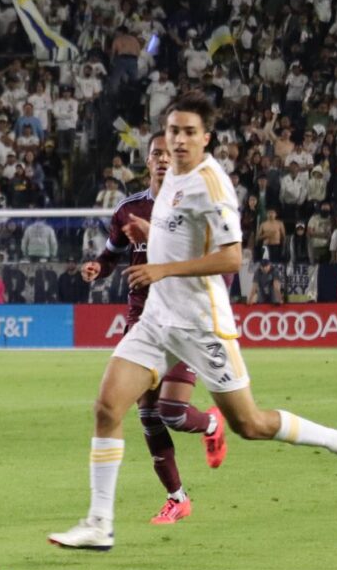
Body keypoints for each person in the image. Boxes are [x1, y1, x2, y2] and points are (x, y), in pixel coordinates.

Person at [49, 91, 337, 551]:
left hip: (200, 323)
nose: (180, 140)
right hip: (156, 318)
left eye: (190, 132)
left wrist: (162, 268)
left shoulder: (212, 185)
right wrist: (149, 234)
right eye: (174, 132)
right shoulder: (170, 177)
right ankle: (98, 523)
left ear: (206, 138)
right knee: (108, 406)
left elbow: (231, 258)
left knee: (249, 424)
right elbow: (177, 234)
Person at [80, 131, 227, 525]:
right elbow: (111, 254)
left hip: (185, 320)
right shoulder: (129, 209)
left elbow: (221, 259)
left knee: (173, 411)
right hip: (143, 322)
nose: (162, 159)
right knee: (147, 415)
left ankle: (212, 422)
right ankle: (177, 497)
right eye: (156, 154)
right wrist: (98, 267)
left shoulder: (196, 206)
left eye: (168, 154)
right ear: (147, 161)